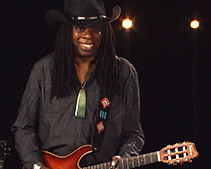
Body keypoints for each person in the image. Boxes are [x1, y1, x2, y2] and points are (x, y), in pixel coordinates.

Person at [11, 0, 145, 169]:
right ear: (68, 31)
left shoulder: (123, 72)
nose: (88, 35)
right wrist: (36, 165)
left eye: (96, 29)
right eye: (80, 28)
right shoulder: (44, 70)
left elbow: (133, 134)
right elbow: (23, 127)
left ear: (104, 33)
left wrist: (125, 157)